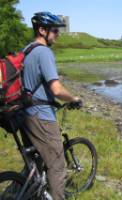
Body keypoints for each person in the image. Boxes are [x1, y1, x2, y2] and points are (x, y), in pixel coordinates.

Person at [20, 12, 81, 200]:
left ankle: (33, 192)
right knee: (57, 165)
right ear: (42, 30)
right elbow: (56, 89)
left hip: (24, 114)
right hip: (41, 116)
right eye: (55, 30)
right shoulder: (44, 52)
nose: (58, 34)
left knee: (36, 159)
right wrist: (73, 99)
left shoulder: (27, 50)